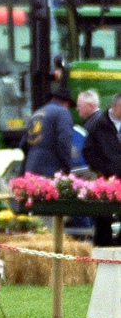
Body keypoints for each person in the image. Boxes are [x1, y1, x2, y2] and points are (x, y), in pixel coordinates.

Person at [82, 92, 121, 246]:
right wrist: (102, 168)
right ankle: (102, 244)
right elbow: (88, 151)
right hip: (106, 177)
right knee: (104, 213)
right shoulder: (99, 125)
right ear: (114, 106)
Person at [19, 86, 74, 177]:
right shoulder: (62, 112)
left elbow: (23, 144)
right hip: (51, 170)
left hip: (30, 169)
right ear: (66, 103)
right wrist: (67, 167)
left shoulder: (36, 113)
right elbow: (64, 141)